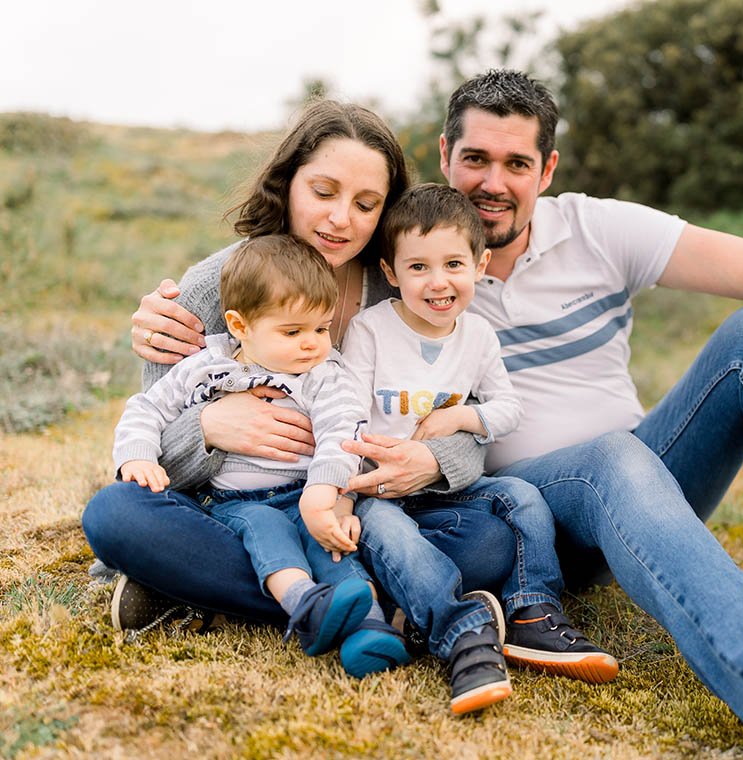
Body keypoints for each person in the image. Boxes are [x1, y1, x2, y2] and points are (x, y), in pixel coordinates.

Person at [125, 75, 743, 759]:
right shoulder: (376, 262)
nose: (493, 183)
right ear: (444, 161)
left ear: (547, 170)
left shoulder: (588, 231)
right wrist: (182, 378)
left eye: (518, 164)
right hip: (502, 511)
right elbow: (198, 382)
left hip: (620, 486)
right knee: (608, 461)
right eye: (475, 160)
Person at [82, 99, 515, 636]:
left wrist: (432, 460)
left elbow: (469, 415)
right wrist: (210, 429)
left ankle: (205, 592)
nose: (341, 219)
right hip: (242, 511)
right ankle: (378, 608)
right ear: (288, 184)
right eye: (323, 192)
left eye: (366, 203)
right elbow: (154, 455)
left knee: (489, 540)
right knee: (116, 514)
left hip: (369, 513)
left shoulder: (407, 285)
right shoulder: (213, 288)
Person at [338, 182, 617, 714]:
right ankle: (459, 631)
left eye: (452, 264)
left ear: (480, 264)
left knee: (518, 496)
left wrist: (461, 415)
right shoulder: (371, 329)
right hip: (378, 490)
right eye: (417, 267)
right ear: (391, 273)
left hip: (443, 491)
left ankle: (533, 610)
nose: (438, 282)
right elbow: (346, 410)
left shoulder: (479, 336)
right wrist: (351, 483)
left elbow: (509, 409)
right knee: (394, 535)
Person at [101, 234, 410, 676]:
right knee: (266, 532)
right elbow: (149, 406)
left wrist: (323, 495)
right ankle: (306, 606)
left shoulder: (325, 374)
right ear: (240, 326)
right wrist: (138, 456)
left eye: (321, 328)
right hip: (237, 503)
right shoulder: (206, 365)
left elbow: (343, 430)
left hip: (307, 494)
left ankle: (371, 630)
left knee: (336, 549)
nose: (312, 344)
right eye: (293, 331)